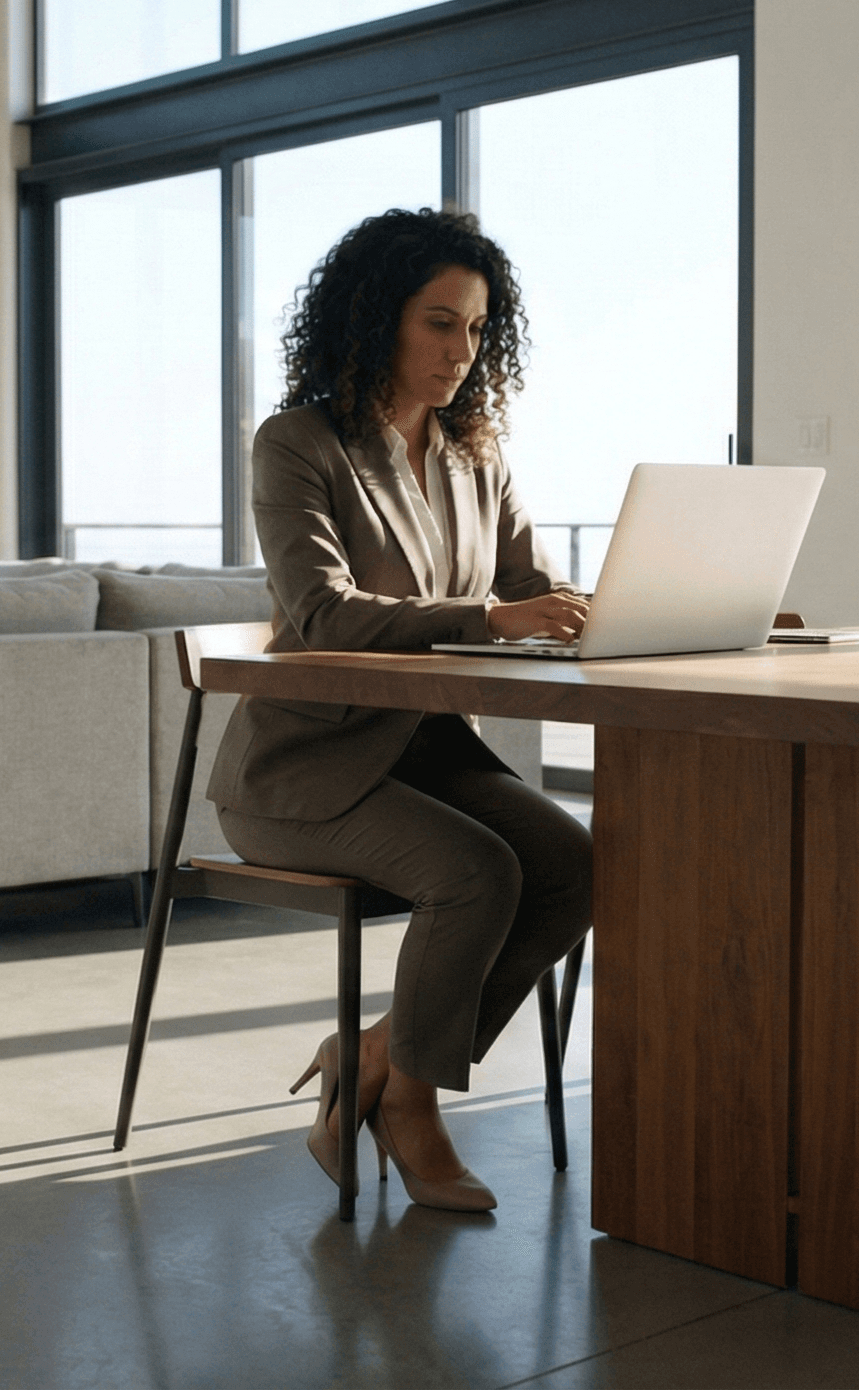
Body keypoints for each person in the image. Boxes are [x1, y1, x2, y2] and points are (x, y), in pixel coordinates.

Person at [206, 207, 595, 1213]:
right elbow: (321, 609)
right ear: (376, 318)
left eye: (475, 329)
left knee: (570, 867)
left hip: (425, 750)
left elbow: (531, 590)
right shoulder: (297, 444)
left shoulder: (478, 454)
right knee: (475, 872)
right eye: (438, 323)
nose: (460, 351)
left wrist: (624, 611)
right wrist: (500, 615)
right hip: (302, 768)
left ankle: (375, 1052)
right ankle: (410, 1102)